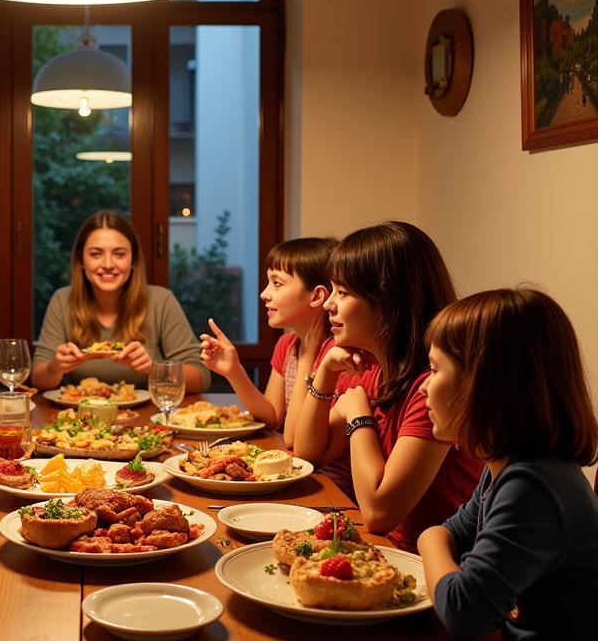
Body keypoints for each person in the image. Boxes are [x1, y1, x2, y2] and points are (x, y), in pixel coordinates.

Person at [416, 288, 598, 641]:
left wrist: (429, 539)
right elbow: (453, 535)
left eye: (435, 368)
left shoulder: (533, 484)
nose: (425, 386)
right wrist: (440, 541)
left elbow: (463, 611)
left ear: (482, 383)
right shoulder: (507, 469)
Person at [293, 221, 479, 552]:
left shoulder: (432, 388)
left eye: (343, 292)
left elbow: (379, 512)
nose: (327, 304)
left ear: (388, 303)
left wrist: (358, 419)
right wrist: (324, 373)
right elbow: (308, 452)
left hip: (432, 567)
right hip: (389, 549)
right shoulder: (372, 369)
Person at [30, 211, 210, 392]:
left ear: (133, 261)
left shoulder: (161, 300)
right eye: (95, 254)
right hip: (80, 416)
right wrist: (56, 367)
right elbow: (38, 378)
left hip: (150, 417)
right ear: (81, 261)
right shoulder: (62, 300)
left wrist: (153, 369)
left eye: (119, 254)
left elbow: (201, 377)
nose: (108, 264)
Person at [201, 237, 335, 447]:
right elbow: (272, 417)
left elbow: (293, 440)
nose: (264, 294)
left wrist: (309, 355)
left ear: (316, 296)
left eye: (277, 284)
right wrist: (234, 371)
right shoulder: (288, 344)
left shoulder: (335, 354)